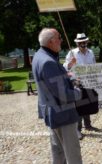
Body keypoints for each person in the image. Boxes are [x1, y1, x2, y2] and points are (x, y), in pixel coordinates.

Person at [32, 28, 83, 164]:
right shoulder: (48, 61)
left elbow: (52, 82)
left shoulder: (39, 55)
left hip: (53, 114)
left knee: (58, 152)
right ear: (50, 42)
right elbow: (63, 95)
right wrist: (78, 92)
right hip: (62, 114)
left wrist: (67, 77)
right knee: (73, 154)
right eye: (58, 37)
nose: (61, 40)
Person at [63, 33, 98, 140]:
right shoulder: (72, 53)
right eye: (81, 42)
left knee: (88, 102)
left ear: (87, 42)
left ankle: (88, 125)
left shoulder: (91, 52)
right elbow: (65, 68)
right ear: (77, 43)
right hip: (77, 82)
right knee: (79, 105)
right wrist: (70, 63)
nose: (83, 44)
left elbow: (94, 65)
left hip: (89, 81)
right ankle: (78, 129)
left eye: (84, 42)